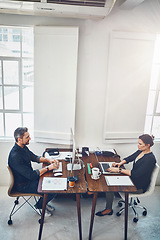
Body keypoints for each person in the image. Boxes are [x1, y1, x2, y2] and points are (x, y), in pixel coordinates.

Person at [96, 134, 156, 216]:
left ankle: (108, 210)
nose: (138, 145)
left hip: (137, 185)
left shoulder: (150, 159)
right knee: (111, 176)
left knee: (109, 185)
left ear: (147, 145)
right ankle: (115, 194)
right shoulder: (141, 151)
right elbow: (130, 158)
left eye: (140, 144)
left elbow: (136, 174)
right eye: (138, 143)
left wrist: (119, 170)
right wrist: (119, 164)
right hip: (132, 179)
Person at [8, 127, 59, 216]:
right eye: (27, 137)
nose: (30, 138)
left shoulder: (22, 147)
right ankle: (40, 206)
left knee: (51, 178)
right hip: (23, 185)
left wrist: (48, 160)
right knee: (52, 188)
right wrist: (48, 168)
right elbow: (31, 175)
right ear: (19, 139)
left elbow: (34, 157)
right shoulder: (15, 156)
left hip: (28, 178)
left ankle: (44, 203)